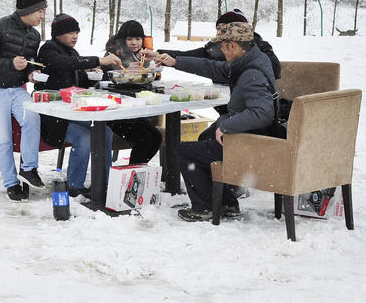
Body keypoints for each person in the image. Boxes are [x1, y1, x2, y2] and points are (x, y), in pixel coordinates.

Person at [145, 22, 279, 222]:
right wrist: (175, 62)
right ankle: (226, 203)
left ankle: (204, 207)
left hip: (253, 140)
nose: (220, 51)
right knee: (206, 138)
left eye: (222, 47)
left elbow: (263, 112)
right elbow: (213, 67)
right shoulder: (252, 59)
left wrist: (226, 125)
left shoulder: (251, 73)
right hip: (253, 134)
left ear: (232, 46)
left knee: (184, 152)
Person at [0, 0, 47, 200]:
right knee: (3, 137)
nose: (43, 16)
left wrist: (32, 73)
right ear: (28, 10)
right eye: (40, 11)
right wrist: (10, 64)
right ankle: (11, 182)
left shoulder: (34, 36)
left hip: (17, 89)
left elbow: (27, 66)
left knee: (32, 117)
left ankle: (28, 168)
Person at [37, 14, 121, 198]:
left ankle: (105, 181)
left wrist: (94, 74)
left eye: (76, 32)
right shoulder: (48, 50)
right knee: (84, 137)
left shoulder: (72, 53)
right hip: (52, 119)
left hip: (72, 115)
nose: (74, 36)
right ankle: (74, 185)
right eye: (70, 32)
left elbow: (79, 80)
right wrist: (97, 60)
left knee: (104, 132)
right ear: (58, 34)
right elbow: (64, 64)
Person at [103, 19, 163, 165]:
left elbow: (151, 81)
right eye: (129, 39)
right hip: (116, 115)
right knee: (145, 138)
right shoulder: (112, 55)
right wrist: (126, 73)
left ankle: (139, 169)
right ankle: (134, 174)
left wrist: (154, 70)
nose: (134, 43)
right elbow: (104, 81)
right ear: (123, 40)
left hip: (137, 112)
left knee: (156, 137)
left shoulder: (144, 56)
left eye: (138, 39)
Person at [160, 9, 282, 79]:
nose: (219, 33)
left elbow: (275, 70)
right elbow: (194, 56)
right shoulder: (217, 46)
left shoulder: (259, 48)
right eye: (218, 29)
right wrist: (160, 54)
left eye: (223, 29)